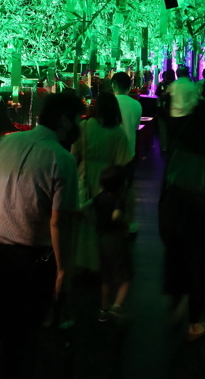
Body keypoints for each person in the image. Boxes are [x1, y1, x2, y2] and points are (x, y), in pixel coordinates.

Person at [0, 92, 85, 377]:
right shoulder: (62, 159)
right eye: (78, 119)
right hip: (35, 257)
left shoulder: (8, 142)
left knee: (8, 317)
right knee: (32, 326)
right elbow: (59, 222)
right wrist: (63, 270)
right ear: (64, 119)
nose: (80, 125)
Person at [159, 97, 205, 342]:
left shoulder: (179, 142)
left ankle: (177, 302)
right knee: (200, 265)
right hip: (200, 214)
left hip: (174, 209)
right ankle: (193, 323)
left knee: (178, 259)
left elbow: (169, 178)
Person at [71, 93, 131, 273]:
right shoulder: (118, 132)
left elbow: (74, 155)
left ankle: (83, 262)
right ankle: (101, 264)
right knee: (104, 223)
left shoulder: (84, 126)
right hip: (108, 181)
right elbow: (122, 163)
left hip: (85, 177)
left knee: (85, 224)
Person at [94, 165, 133, 322]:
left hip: (101, 238)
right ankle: (117, 306)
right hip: (115, 238)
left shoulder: (99, 197)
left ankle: (104, 309)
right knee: (125, 275)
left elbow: (85, 207)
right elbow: (116, 216)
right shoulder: (118, 198)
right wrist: (126, 224)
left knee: (106, 276)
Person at [112, 71, 143, 233]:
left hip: (111, 152)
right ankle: (128, 223)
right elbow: (136, 128)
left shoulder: (110, 103)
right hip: (129, 152)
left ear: (113, 85)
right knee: (126, 189)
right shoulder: (136, 105)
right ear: (130, 86)